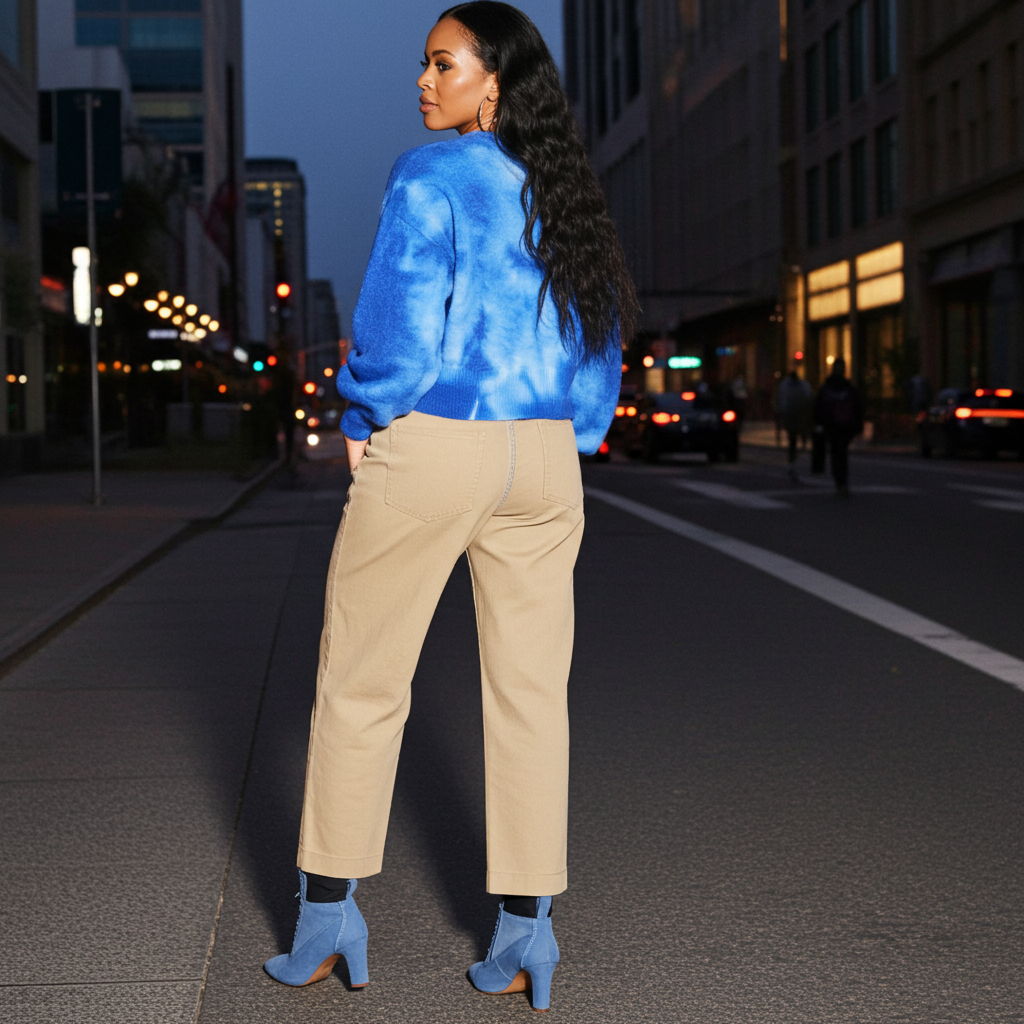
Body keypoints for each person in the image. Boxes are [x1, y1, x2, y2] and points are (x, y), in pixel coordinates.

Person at [262, 3, 637, 1013]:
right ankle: (525, 935)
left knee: (363, 680)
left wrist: (363, 407)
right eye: (423, 65)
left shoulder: (430, 176)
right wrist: (581, 429)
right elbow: (598, 340)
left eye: (442, 64)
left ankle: (328, 920)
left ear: (494, 82)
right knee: (528, 697)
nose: (422, 82)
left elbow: (398, 317)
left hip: (437, 442)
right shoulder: (565, 191)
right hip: (545, 456)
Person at [813, 358, 864, 495]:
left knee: (837, 453)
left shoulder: (828, 387)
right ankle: (842, 481)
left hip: (835, 426)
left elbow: (819, 407)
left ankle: (840, 481)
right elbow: (857, 406)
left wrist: (818, 425)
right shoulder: (847, 387)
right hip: (841, 426)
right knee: (841, 453)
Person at [776, 369, 812, 478]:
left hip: (794, 415)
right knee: (793, 438)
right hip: (796, 415)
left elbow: (781, 400)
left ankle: (793, 458)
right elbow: (808, 397)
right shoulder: (802, 385)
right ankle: (795, 454)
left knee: (793, 439)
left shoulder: (786, 386)